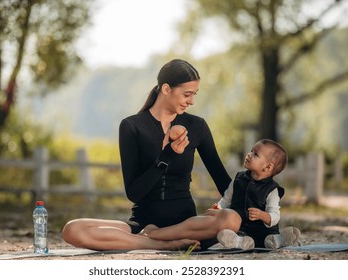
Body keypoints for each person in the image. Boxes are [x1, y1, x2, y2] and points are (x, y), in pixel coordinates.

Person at [61, 59, 233, 250]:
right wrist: (166, 156)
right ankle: (159, 244)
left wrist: (259, 199)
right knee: (73, 230)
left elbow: (222, 180)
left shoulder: (197, 126)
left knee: (230, 220)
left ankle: (159, 239)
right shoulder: (132, 126)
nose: (191, 101)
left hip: (185, 225)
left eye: (194, 94)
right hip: (143, 224)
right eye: (187, 94)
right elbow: (134, 193)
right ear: (166, 89)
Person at [141, 139, 301, 250]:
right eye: (251, 151)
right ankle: (241, 242)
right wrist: (218, 207)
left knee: (268, 240)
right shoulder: (239, 178)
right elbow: (226, 200)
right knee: (236, 235)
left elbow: (275, 215)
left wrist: (262, 215)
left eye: (255, 154)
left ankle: (280, 239)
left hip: (263, 230)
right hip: (241, 227)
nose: (249, 154)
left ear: (267, 167)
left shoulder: (272, 189)